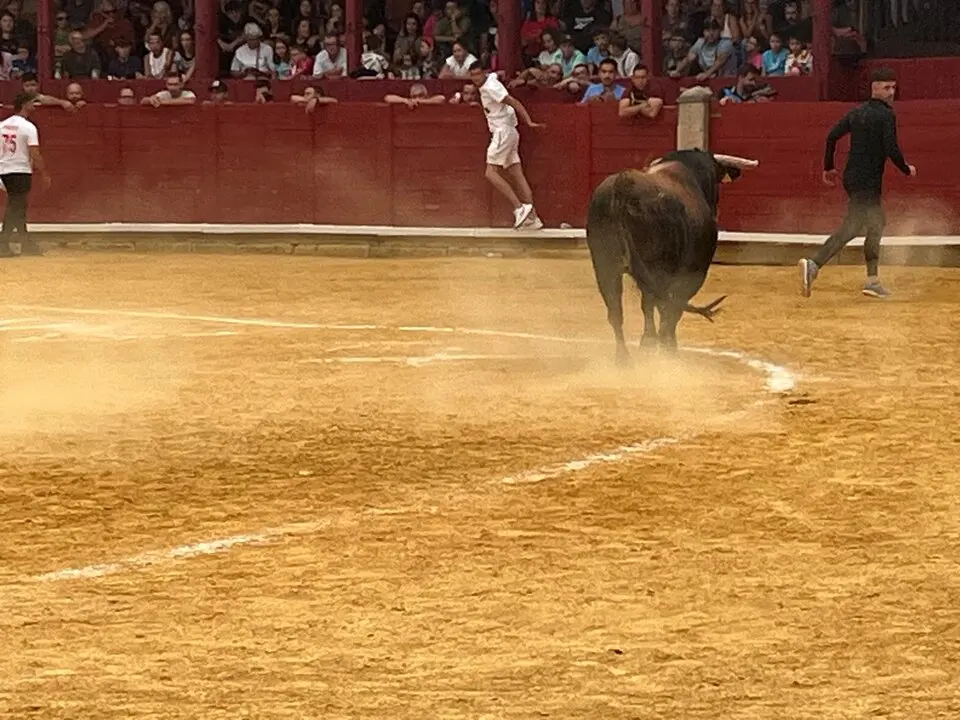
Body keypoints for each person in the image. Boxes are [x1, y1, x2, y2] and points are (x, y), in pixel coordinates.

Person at [798, 68, 916, 299]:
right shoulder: (886, 115)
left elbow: (832, 136)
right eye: (886, 87)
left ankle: (871, 280)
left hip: (854, 178)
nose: (892, 92)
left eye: (893, 87)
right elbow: (891, 149)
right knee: (854, 227)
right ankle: (815, 264)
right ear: (875, 88)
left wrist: (829, 167)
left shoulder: (857, 113)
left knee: (875, 223)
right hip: (867, 180)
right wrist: (906, 169)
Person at [467, 60, 544, 230]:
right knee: (516, 173)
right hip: (510, 132)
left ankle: (519, 208)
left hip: (502, 132)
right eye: (472, 75)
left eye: (478, 74)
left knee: (490, 172)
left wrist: (529, 121)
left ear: (484, 73)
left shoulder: (490, 88)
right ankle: (533, 218)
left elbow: (514, 102)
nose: (475, 78)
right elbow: (497, 74)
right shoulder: (491, 80)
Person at [0, 92, 50, 258]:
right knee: (16, 207)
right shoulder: (28, 127)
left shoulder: (2, 125)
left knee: (18, 207)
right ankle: (3, 244)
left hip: (4, 170)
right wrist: (44, 173)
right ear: (25, 105)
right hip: (20, 170)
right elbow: (34, 153)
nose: (35, 106)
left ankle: (26, 244)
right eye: (32, 103)